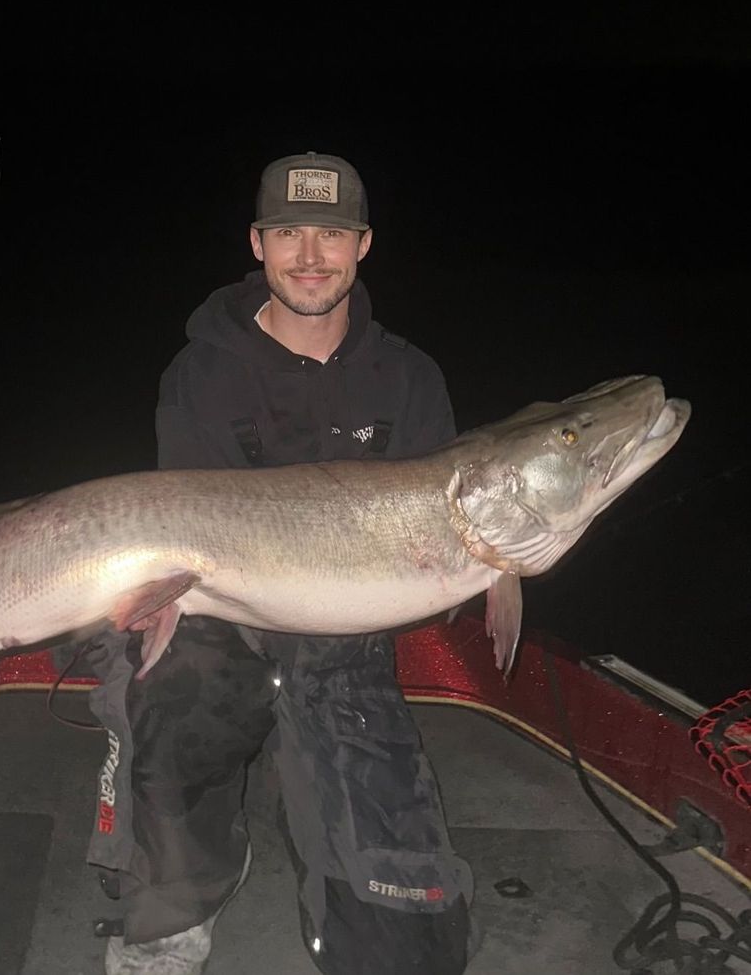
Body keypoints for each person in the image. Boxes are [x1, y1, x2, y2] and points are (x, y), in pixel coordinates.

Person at [87, 151, 475, 975]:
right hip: (222, 627)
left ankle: (313, 807)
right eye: (289, 233)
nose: (309, 255)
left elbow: (430, 570)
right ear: (257, 243)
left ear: (363, 246)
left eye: (330, 235)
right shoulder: (199, 375)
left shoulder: (409, 379)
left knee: (408, 949)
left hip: (347, 650)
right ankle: (177, 898)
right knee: (170, 692)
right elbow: (183, 547)